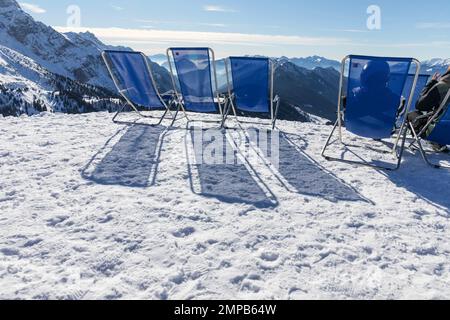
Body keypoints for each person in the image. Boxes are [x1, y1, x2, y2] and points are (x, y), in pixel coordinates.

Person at [407, 67, 450, 152]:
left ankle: (436, 141)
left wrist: (431, 83)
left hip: (435, 132)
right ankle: (438, 143)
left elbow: (420, 105)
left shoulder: (442, 86)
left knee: (412, 114)